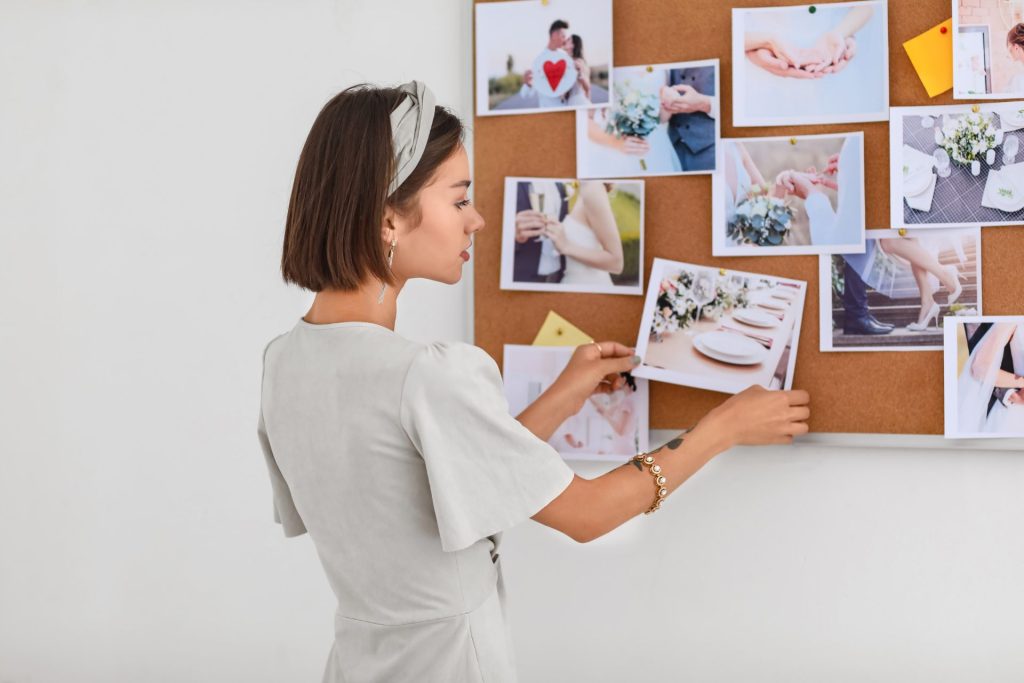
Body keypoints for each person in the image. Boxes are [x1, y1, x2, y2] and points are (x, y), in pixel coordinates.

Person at [257, 81, 811, 682]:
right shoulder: (426, 376)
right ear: (390, 217)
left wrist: (562, 398)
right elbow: (588, 514)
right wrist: (723, 427)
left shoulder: (283, 362)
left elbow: (441, 484)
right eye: (459, 199)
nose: (478, 219)